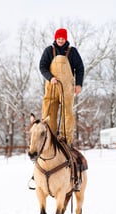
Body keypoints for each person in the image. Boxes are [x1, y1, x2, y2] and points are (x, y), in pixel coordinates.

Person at [28, 28, 84, 191]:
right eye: (58, 38)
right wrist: (50, 77)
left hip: (67, 88)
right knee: (48, 116)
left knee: (67, 114)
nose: (60, 40)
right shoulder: (49, 50)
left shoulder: (72, 52)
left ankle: (66, 140)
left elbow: (79, 68)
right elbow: (42, 66)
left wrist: (78, 83)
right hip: (51, 87)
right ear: (55, 39)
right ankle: (49, 139)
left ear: (65, 39)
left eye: (62, 38)